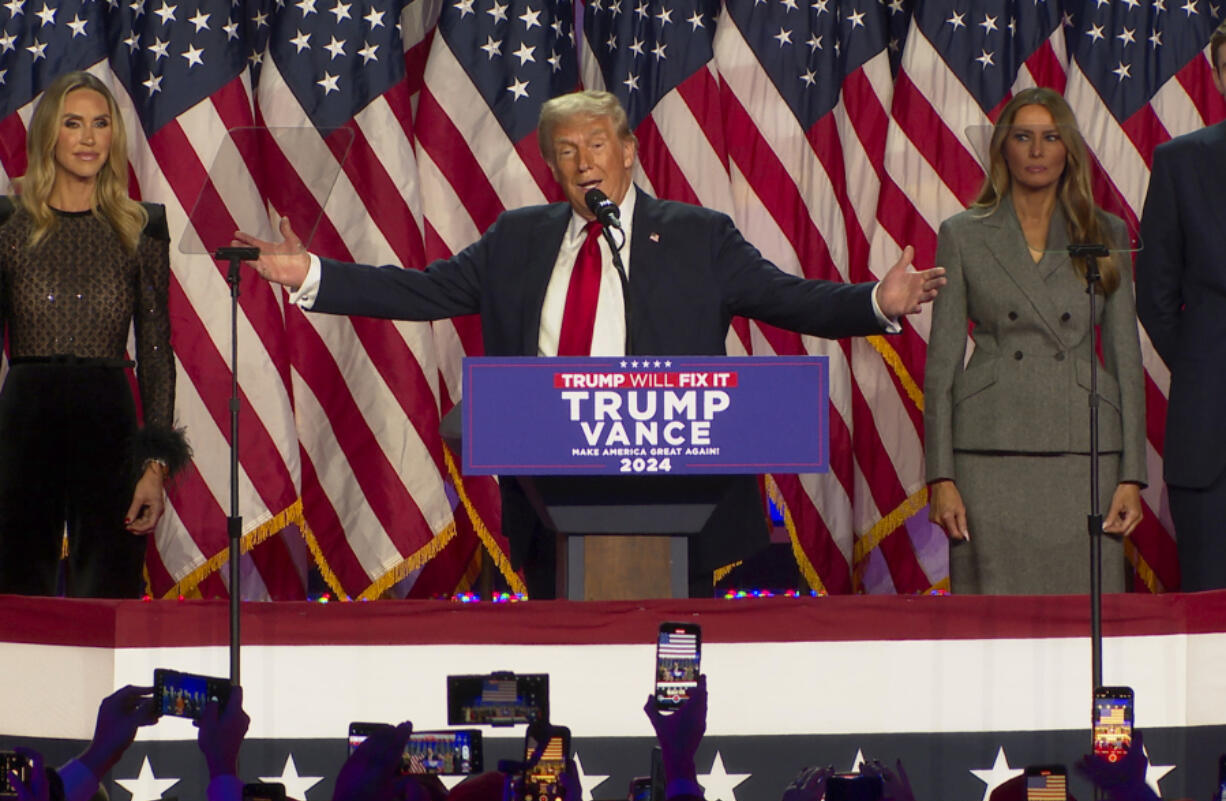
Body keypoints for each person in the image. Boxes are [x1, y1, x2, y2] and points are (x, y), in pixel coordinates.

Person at [239, 89, 945, 599]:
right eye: (566, 151)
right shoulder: (518, 239)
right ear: (552, 166)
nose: (583, 162)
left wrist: (876, 302)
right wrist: (311, 275)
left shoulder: (699, 237)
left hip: (680, 493)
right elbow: (423, 293)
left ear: (629, 152)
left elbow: (790, 299)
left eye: (597, 144)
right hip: (554, 496)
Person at [924, 87, 1146, 594]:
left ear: (1068, 149)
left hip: (1084, 451)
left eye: (1050, 137)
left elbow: (1126, 361)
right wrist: (940, 476)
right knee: (993, 619)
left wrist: (1132, 475)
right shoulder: (962, 234)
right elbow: (941, 367)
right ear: (1004, 147)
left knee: (1083, 618)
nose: (1037, 150)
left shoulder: (1104, 232)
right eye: (1023, 137)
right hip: (988, 450)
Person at [0, 71, 189, 598]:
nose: (88, 138)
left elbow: (155, 351)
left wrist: (155, 467)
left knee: (108, 593)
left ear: (114, 136)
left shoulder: (140, 227)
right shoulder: (7, 226)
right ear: (48, 136)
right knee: (15, 595)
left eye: (100, 124)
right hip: (23, 420)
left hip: (108, 419)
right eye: (73, 124)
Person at [1135, 22, 1226, 592]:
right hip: (1212, 442)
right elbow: (1156, 297)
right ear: (1218, 76)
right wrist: (1203, 365)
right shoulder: (1180, 163)